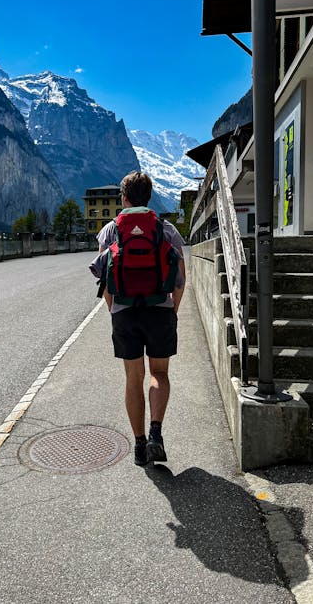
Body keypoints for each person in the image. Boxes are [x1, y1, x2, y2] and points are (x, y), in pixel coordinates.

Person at [94, 171, 185, 466]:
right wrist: (172, 310)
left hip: (124, 313)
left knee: (133, 379)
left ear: (124, 198)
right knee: (159, 375)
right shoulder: (166, 228)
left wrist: (114, 311)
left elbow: (106, 282)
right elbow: (180, 280)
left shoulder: (110, 231)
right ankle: (156, 433)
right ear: (149, 196)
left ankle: (138, 445)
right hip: (159, 310)